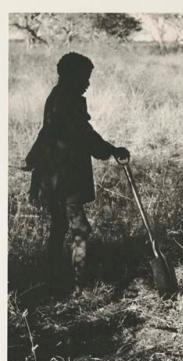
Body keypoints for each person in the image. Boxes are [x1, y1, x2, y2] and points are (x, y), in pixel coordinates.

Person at [24, 52, 130, 296]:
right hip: (64, 176)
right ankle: (78, 287)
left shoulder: (58, 96)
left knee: (59, 226)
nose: (88, 83)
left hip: (55, 174)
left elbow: (49, 132)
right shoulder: (68, 100)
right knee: (80, 228)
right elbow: (83, 133)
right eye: (85, 77)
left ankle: (53, 280)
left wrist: (33, 158)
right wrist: (110, 150)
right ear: (70, 76)